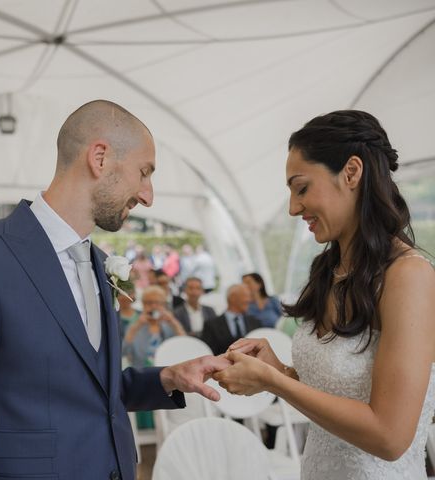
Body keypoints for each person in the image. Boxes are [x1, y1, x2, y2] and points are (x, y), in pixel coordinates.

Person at [0, 100, 230, 480]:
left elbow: (83, 388)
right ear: (99, 158)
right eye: (144, 172)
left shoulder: (98, 263)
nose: (148, 195)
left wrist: (167, 378)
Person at [215, 110, 435, 480]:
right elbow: (339, 398)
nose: (293, 207)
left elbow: (390, 437)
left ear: (351, 172)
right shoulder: (328, 271)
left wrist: (275, 383)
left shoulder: (408, 276)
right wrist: (281, 371)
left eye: (301, 188)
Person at [123, 286, 186, 369]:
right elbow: (123, 351)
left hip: (166, 370)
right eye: (149, 302)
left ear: (164, 305)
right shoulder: (135, 325)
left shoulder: (168, 326)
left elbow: (184, 344)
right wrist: (136, 326)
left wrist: (173, 322)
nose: (154, 306)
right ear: (143, 304)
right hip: (142, 372)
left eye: (158, 303)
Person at [201, 284, 261, 355]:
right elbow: (209, 354)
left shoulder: (255, 322)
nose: (249, 300)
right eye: (245, 296)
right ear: (233, 297)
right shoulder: (211, 325)